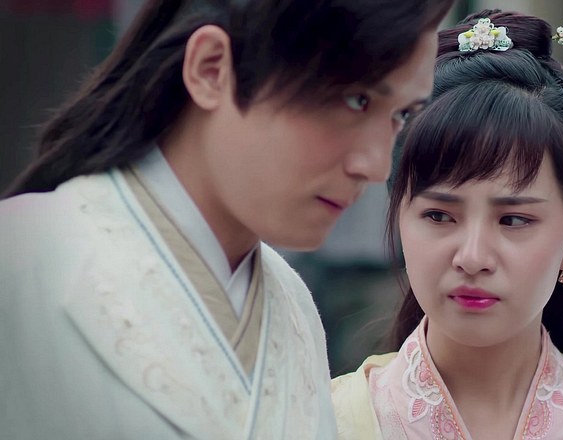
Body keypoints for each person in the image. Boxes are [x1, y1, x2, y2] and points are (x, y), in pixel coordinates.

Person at [0, 0, 453, 438]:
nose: (375, 166)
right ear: (212, 69)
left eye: (401, 115)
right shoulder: (23, 259)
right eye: (355, 100)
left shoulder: (293, 306)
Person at [331, 10, 563, 440]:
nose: (472, 258)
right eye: (439, 215)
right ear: (398, 216)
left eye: (513, 219)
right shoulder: (317, 420)